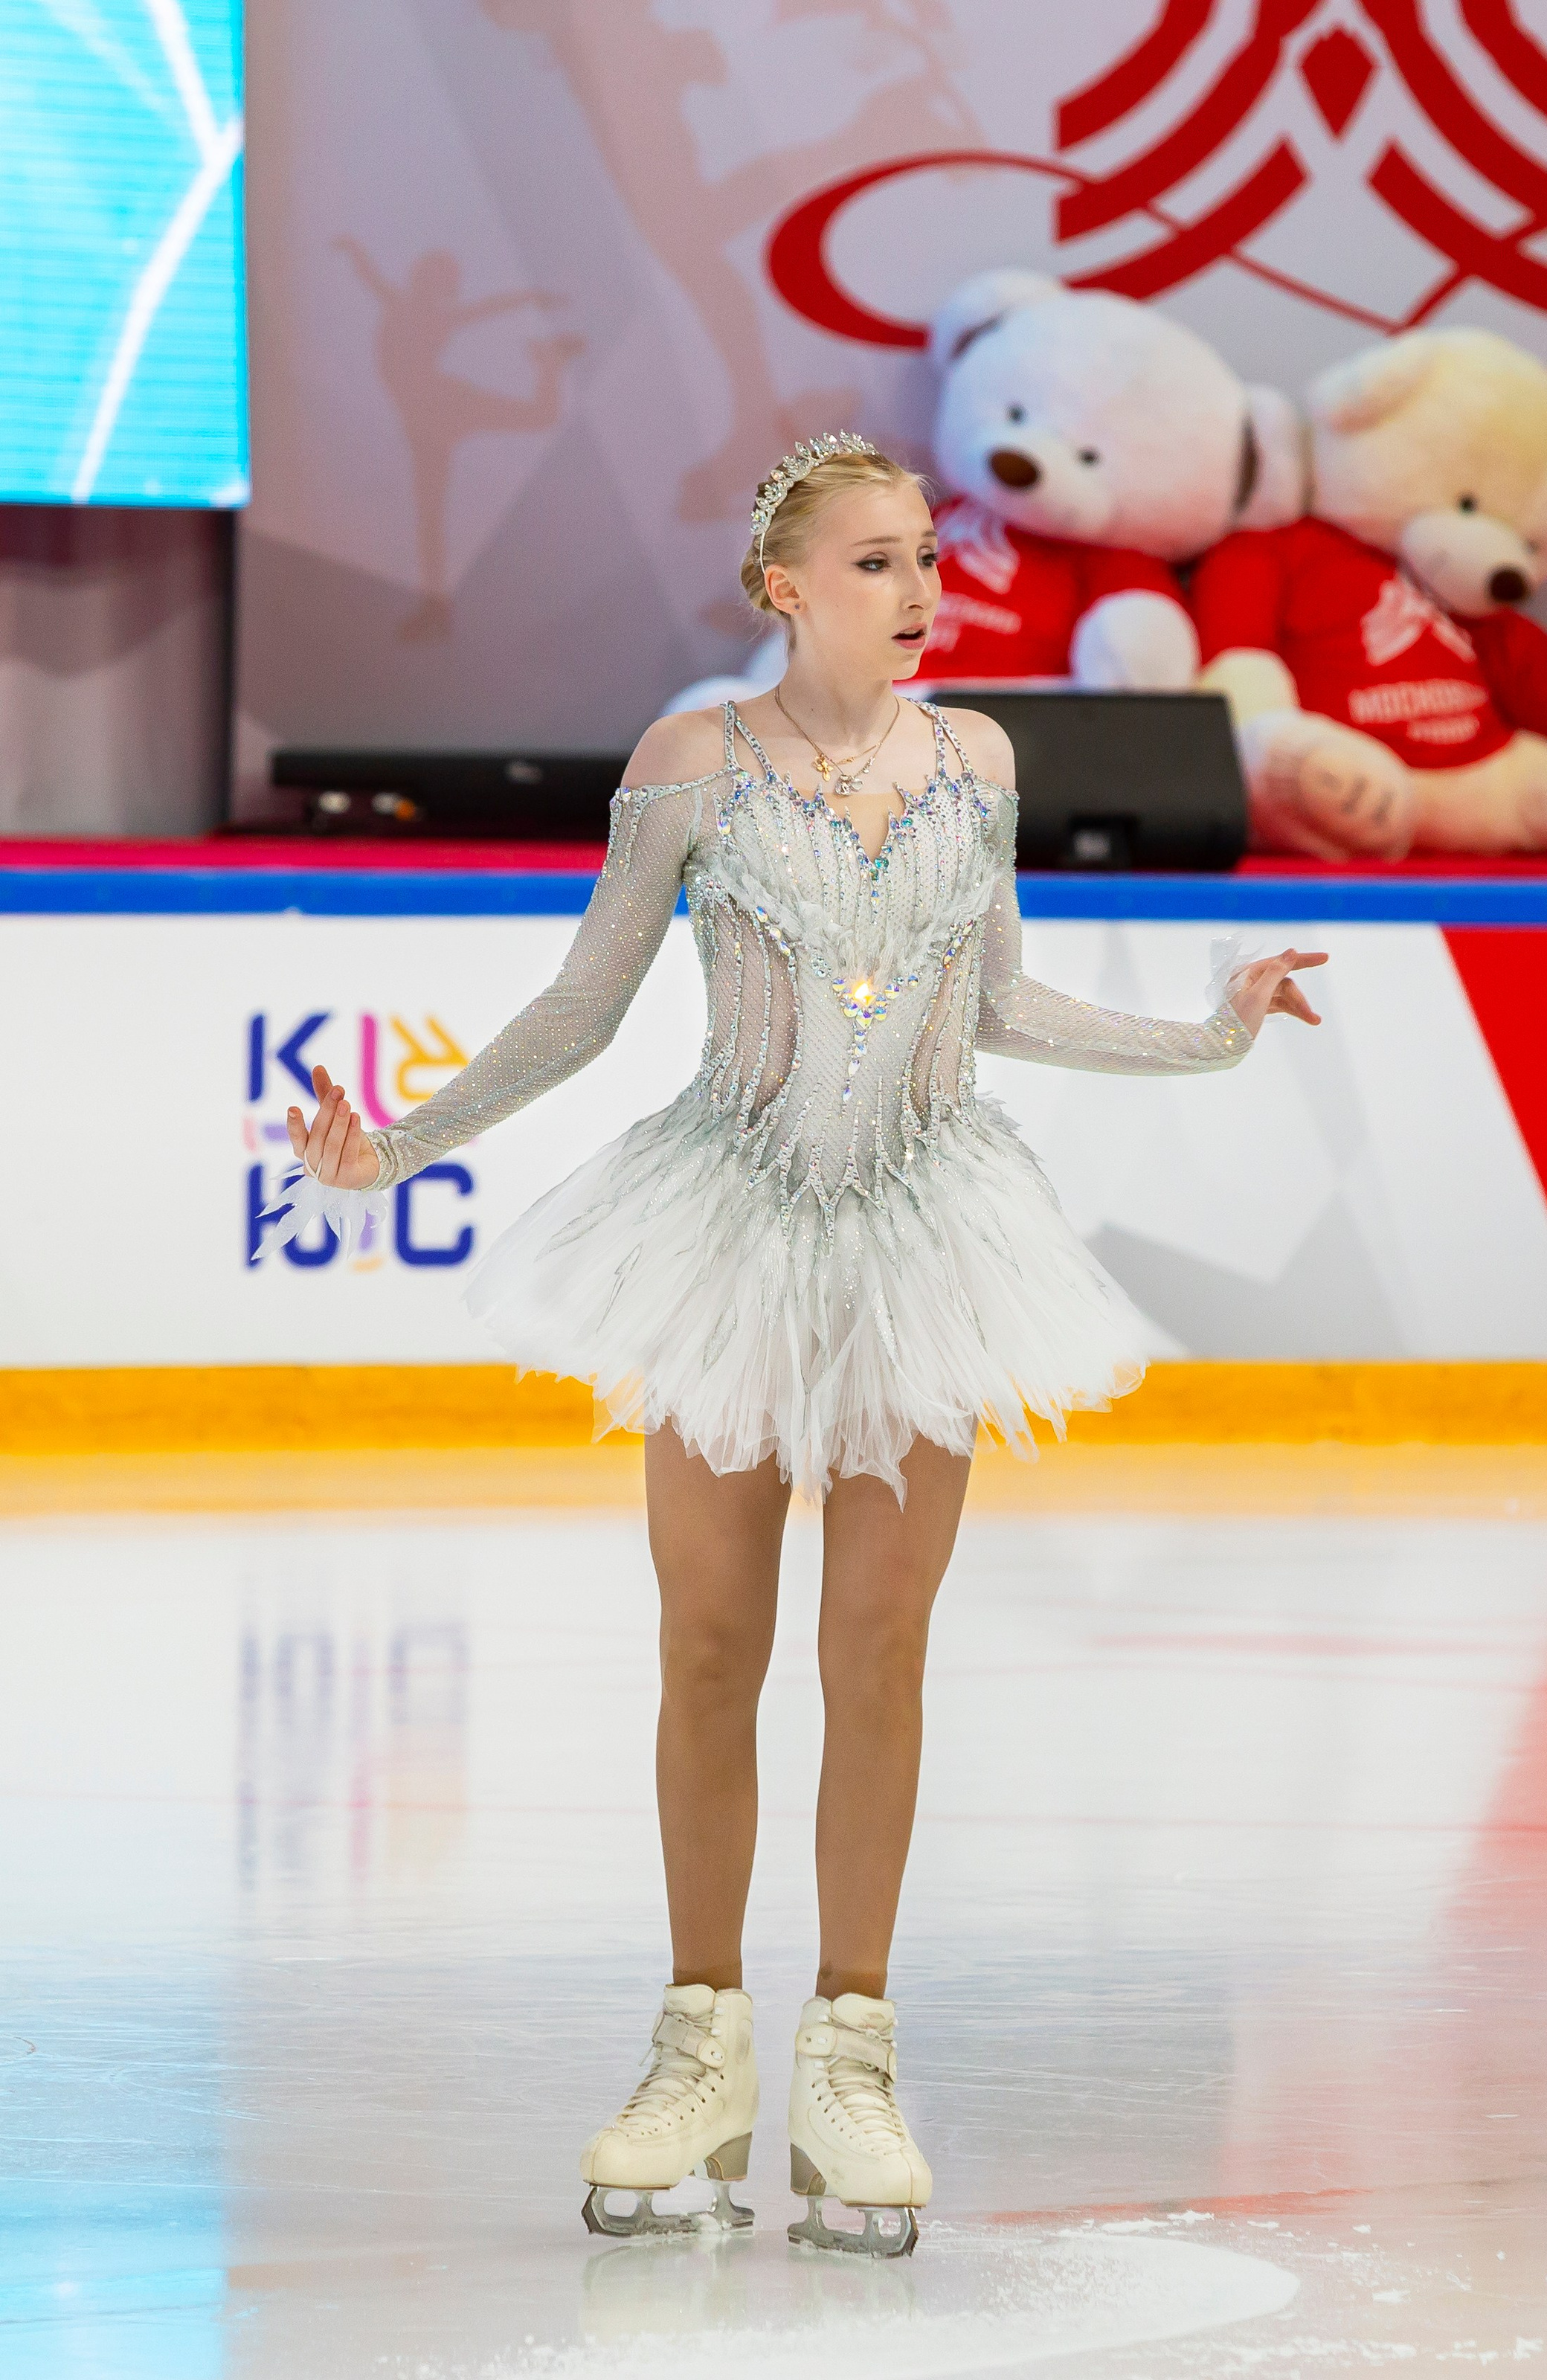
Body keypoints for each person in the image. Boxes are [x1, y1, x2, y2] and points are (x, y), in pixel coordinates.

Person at [272, 431, 1326, 2257]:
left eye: (925, 557)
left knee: (878, 1650)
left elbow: (998, 1000)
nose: (918, 590)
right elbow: (583, 1004)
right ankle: (699, 2045)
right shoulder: (690, 765)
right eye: (873, 562)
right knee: (706, 1644)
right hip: (730, 1227)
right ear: (783, 588)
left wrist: (1208, 1036)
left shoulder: (977, 761)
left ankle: (852, 2055)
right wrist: (402, 1147)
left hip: (923, 1233)